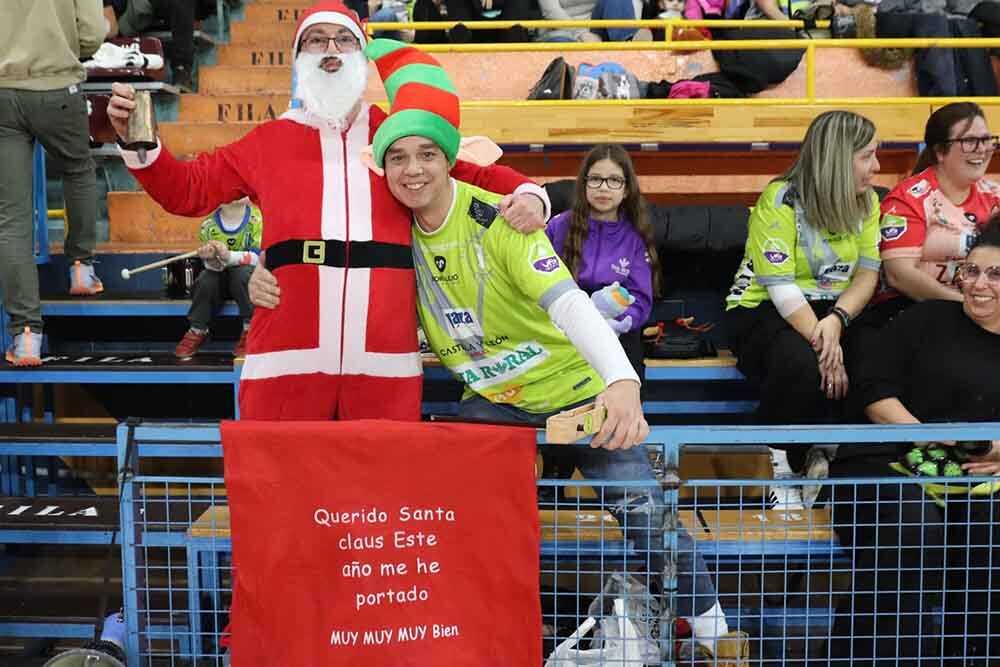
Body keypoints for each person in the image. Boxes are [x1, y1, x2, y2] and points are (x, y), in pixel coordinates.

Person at [366, 37, 747, 665]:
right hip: (493, 404)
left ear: (449, 160)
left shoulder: (499, 220)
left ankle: (717, 637)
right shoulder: (386, 230)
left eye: (427, 154)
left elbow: (570, 304)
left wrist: (621, 382)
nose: (413, 169)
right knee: (468, 520)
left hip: (577, 395)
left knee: (647, 516)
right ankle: (479, 639)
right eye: (398, 157)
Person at [107, 0, 549, 421]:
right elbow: (187, 190)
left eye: (344, 40)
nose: (332, 50)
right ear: (299, 56)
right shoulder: (269, 141)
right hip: (286, 357)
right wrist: (137, 142)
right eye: (317, 40)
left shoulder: (396, 134)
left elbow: (476, 173)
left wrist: (531, 195)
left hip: (383, 358)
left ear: (361, 54)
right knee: (282, 484)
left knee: (378, 488)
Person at [826, 218, 1000, 667]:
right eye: (972, 271)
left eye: (994, 275)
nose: (979, 285)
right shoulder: (924, 320)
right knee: (912, 527)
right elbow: (873, 392)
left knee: (989, 531)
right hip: (886, 462)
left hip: (974, 479)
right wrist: (939, 436)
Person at [724, 110, 882, 473]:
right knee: (800, 364)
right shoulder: (780, 198)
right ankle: (777, 460)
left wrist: (838, 321)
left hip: (837, 308)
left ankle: (836, 454)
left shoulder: (868, 201)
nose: (876, 166)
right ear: (838, 159)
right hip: (765, 305)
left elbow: (866, 274)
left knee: (877, 356)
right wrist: (826, 346)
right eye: (867, 156)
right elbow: (781, 288)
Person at [0, 0, 106, 367]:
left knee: (12, 220)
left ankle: (26, 336)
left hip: (3, 91)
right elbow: (92, 33)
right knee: (78, 170)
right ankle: (81, 268)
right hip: (58, 85)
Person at [870, 102, 1000, 325]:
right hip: (913, 309)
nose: (982, 149)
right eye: (970, 141)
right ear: (940, 151)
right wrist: (968, 304)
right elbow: (899, 275)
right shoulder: (909, 198)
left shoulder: (995, 195)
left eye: (987, 140)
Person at [545, 144, 660, 379]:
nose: (604, 188)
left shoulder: (635, 235)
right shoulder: (559, 226)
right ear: (584, 184)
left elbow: (641, 298)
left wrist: (616, 324)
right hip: (562, 328)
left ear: (626, 189)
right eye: (596, 179)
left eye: (614, 180)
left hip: (615, 329)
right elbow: (537, 281)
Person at [175, 197, 262, 359]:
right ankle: (198, 328)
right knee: (206, 279)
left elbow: (258, 258)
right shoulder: (208, 226)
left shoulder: (257, 219)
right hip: (220, 281)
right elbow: (213, 267)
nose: (235, 193)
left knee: (241, 273)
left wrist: (229, 256)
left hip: (245, 283)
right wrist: (210, 259)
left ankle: (250, 328)